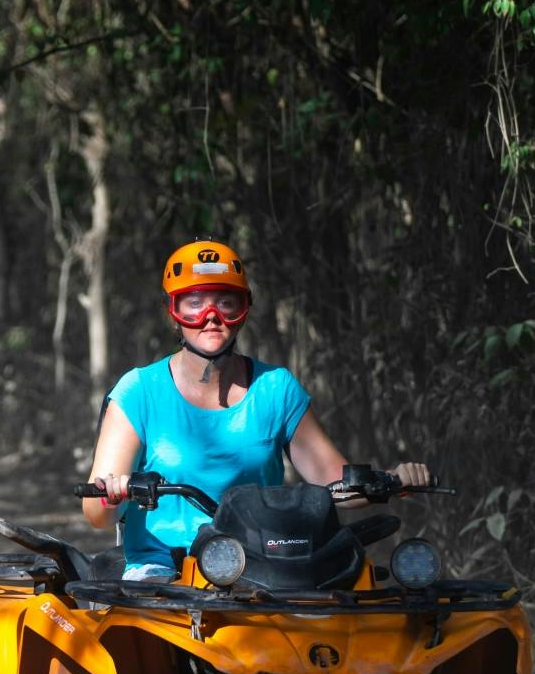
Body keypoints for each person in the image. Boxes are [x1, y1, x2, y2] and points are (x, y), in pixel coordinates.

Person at [83, 239, 430, 581]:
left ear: (244, 309)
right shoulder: (139, 391)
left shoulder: (276, 388)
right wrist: (113, 494)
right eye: (194, 303)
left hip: (264, 564)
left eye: (226, 302)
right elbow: (96, 514)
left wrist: (392, 480)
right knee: (145, 615)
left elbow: (335, 482)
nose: (211, 317)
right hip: (164, 567)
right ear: (172, 313)